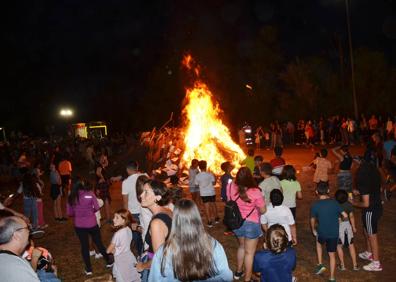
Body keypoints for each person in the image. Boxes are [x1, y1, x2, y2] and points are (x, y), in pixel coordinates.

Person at [149, 199, 233, 281]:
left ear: (175, 220)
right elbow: (226, 276)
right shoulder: (213, 246)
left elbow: (155, 278)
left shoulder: (164, 251)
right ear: (197, 217)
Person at [227, 167, 266, 282]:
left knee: (241, 246)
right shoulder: (255, 191)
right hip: (252, 224)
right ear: (250, 177)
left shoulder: (230, 187)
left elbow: (229, 201)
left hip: (237, 223)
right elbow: (263, 210)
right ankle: (247, 279)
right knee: (250, 253)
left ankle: (238, 272)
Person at [67, 179, 112, 275]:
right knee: (98, 242)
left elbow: (70, 213)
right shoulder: (90, 194)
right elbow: (96, 208)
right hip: (91, 223)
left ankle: (89, 269)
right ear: (81, 184)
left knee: (84, 246)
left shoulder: (71, 197)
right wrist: (89, 211)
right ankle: (108, 261)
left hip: (79, 225)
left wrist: (78, 212)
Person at [351, 152, 383, 271]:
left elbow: (366, 203)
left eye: (353, 164)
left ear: (357, 163)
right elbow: (375, 187)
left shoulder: (361, 176)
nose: (352, 166)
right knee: (366, 231)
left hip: (371, 210)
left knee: (372, 235)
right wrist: (360, 192)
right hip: (375, 205)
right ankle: (369, 253)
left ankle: (376, 263)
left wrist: (353, 202)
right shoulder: (372, 168)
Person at [310, 181, 347, 282]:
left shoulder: (315, 205)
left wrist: (313, 229)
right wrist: (340, 220)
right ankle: (332, 277)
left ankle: (320, 264)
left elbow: (312, 219)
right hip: (333, 234)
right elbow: (345, 215)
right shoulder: (335, 203)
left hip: (321, 232)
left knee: (318, 244)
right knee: (332, 255)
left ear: (317, 191)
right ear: (328, 191)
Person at [136, 180, 172, 280]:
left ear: (158, 197)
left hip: (159, 272)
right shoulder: (167, 211)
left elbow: (159, 259)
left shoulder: (156, 223)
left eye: (146, 192)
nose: (141, 195)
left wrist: (142, 266)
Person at [0, 216, 40, 281]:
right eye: (27, 228)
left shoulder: (6, 258)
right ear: (16, 235)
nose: (29, 232)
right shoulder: (17, 267)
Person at [107, 209, 140, 282]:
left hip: (121, 260)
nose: (113, 219)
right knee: (130, 277)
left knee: (122, 278)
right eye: (114, 217)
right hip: (129, 256)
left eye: (117, 218)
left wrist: (115, 250)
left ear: (124, 220)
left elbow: (108, 250)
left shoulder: (118, 234)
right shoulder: (128, 229)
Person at [122, 161, 146, 256]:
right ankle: (145, 254)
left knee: (136, 235)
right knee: (145, 233)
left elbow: (125, 201)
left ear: (127, 170)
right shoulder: (144, 177)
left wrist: (125, 216)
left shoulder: (126, 182)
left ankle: (140, 255)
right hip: (145, 210)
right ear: (137, 167)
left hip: (133, 213)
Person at [335, 190, 359, 271]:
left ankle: (342, 265)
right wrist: (354, 227)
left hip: (339, 227)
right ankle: (355, 265)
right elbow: (351, 216)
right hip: (347, 226)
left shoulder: (335, 205)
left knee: (339, 246)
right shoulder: (349, 205)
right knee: (351, 245)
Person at [195, 160, 219, 227]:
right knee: (213, 205)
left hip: (204, 193)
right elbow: (214, 183)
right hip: (211, 192)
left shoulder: (198, 176)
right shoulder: (210, 174)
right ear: (206, 166)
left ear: (199, 167)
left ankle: (209, 222)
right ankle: (216, 218)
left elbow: (196, 185)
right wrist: (216, 178)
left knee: (206, 207)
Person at [220, 161, 233, 236]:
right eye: (230, 166)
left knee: (229, 210)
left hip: (227, 195)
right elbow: (230, 186)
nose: (232, 166)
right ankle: (228, 228)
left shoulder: (226, 176)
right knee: (229, 211)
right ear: (228, 168)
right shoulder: (226, 177)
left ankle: (228, 225)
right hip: (227, 196)